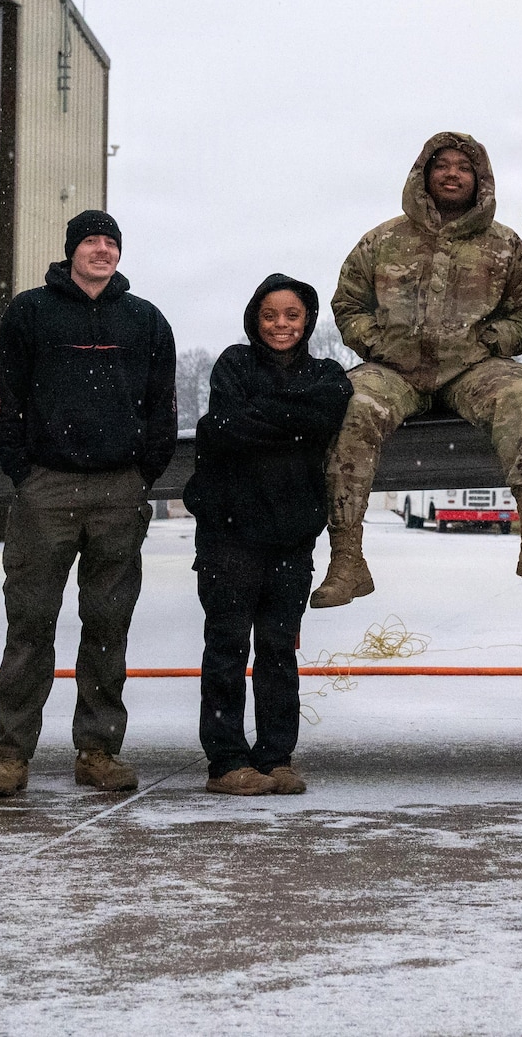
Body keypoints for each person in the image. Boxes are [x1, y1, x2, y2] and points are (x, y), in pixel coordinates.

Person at [0, 209, 177, 800]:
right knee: (30, 623)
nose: (101, 250)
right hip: (47, 490)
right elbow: (0, 394)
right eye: (90, 241)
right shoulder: (30, 313)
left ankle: (98, 751)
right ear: (70, 252)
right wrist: (23, 469)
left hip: (119, 490)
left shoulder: (144, 320)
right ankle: (11, 756)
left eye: (110, 242)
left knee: (108, 625)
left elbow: (161, 405)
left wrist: (142, 472)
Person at [313, 131, 522, 602]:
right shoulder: (382, 240)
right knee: (350, 404)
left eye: (463, 167)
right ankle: (347, 559)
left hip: (473, 369)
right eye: (441, 165)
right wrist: (375, 341)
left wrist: (493, 339)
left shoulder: (505, 244)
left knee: (519, 394)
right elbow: (348, 302)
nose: (452, 174)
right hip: (394, 371)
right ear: (424, 175)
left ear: (479, 178)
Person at [184, 274, 352, 796]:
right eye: (270, 315)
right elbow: (223, 426)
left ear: (308, 321)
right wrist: (293, 421)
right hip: (229, 534)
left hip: (290, 535)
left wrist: (262, 420)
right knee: (228, 646)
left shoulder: (328, 375)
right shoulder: (234, 364)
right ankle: (227, 761)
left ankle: (276, 756)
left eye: (293, 315)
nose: (281, 325)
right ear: (255, 320)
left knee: (279, 648)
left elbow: (324, 413)